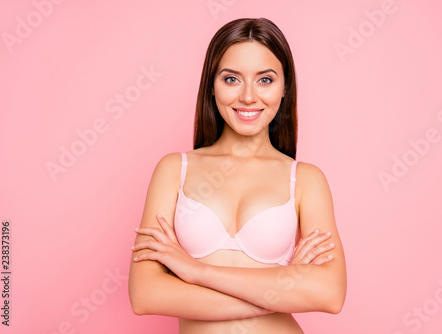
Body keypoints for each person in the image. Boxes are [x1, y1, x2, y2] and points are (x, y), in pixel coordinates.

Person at [128, 17, 347, 333]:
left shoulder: (306, 180)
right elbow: (145, 295)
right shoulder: (174, 170)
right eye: (231, 79)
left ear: (285, 87)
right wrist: (279, 292)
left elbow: (330, 294)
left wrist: (195, 272)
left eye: (265, 80)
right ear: (212, 86)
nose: (247, 97)